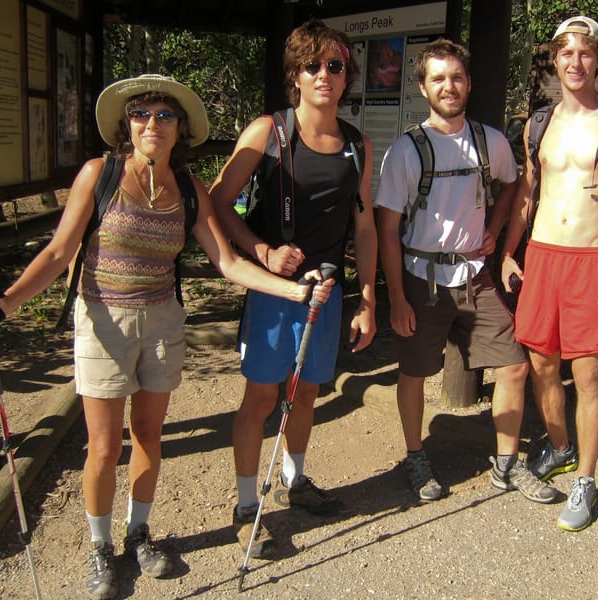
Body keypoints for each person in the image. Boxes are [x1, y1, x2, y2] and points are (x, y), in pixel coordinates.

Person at [0, 74, 333, 600]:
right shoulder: (101, 174)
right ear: (126, 125)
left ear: (179, 128)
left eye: (164, 115)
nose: (152, 123)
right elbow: (57, 254)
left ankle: (139, 533)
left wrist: (294, 292)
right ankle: (99, 546)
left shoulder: (188, 187)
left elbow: (227, 261)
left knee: (149, 436)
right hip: (104, 321)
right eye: (142, 114)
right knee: (102, 446)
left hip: (162, 319)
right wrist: (5, 304)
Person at [209, 20, 377, 558]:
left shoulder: (357, 145)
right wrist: (261, 252)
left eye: (335, 66)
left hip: (326, 294)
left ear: (346, 75)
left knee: (306, 392)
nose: (325, 75)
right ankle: (243, 506)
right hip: (275, 292)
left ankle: (295, 481)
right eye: (314, 66)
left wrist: (368, 298)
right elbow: (215, 203)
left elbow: (366, 226)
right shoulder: (269, 132)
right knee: (262, 396)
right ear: (296, 75)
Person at [375, 39, 556, 505]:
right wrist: (395, 298)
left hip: (475, 275)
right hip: (422, 277)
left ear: (469, 83)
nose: (448, 86)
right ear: (422, 87)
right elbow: (387, 230)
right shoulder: (405, 151)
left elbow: (513, 184)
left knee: (514, 365)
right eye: (438, 78)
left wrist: (495, 229)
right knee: (415, 373)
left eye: (456, 77)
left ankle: (507, 464)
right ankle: (416, 456)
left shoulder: (489, 141)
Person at [500, 16, 598, 531]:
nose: (575, 62)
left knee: (588, 375)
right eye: (566, 53)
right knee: (543, 366)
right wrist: (508, 251)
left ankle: (585, 479)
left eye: (585, 53)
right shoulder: (537, 122)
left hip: (592, 260)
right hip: (542, 256)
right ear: (556, 59)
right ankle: (561, 446)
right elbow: (526, 193)